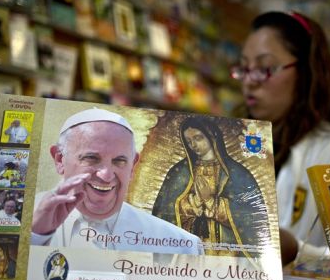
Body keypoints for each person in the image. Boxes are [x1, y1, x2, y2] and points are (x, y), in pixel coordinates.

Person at [232, 11, 330, 265]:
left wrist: (296, 251)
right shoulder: (245, 144)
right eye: (244, 69)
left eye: (265, 68)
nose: (250, 82)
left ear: (306, 71)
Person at [30, 108, 203, 254]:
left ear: (133, 166)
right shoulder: (18, 219)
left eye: (119, 161)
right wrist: (37, 236)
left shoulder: (180, 246)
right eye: (91, 158)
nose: (106, 175)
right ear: (60, 160)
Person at [152, 116, 269, 257]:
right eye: (189, 141)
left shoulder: (237, 173)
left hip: (225, 252)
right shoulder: (180, 172)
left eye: (198, 138)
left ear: (212, 136)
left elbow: (250, 216)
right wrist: (193, 202)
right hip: (190, 250)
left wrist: (210, 201)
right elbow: (164, 211)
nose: (193, 145)